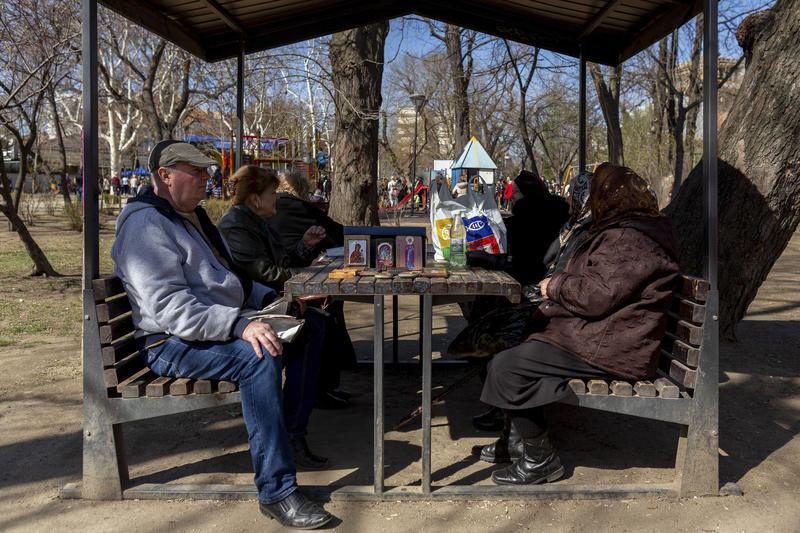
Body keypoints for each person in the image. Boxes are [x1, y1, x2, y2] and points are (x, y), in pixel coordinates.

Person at [111, 141, 333, 529]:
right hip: (168, 344)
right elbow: (170, 311)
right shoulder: (146, 226)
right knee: (258, 355)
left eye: (205, 171)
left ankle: (293, 433)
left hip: (201, 330)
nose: (206, 179)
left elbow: (228, 282)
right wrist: (240, 324)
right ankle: (277, 491)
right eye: (195, 172)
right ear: (165, 176)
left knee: (311, 324)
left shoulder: (185, 216)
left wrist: (277, 301)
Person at [476, 162, 680, 486]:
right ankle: (519, 439)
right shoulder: (629, 230)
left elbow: (596, 295)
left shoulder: (631, 237)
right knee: (516, 344)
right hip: (604, 335)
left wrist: (553, 286)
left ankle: (540, 459)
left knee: (508, 367)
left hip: (611, 346)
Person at [223, 169, 355, 410]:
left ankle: (310, 400)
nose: (277, 198)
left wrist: (304, 246)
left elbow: (279, 265)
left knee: (319, 317)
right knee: (315, 321)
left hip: (262, 299)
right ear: (255, 198)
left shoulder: (254, 221)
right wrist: (309, 279)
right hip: (252, 306)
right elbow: (266, 274)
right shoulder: (238, 227)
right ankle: (303, 409)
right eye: (272, 193)